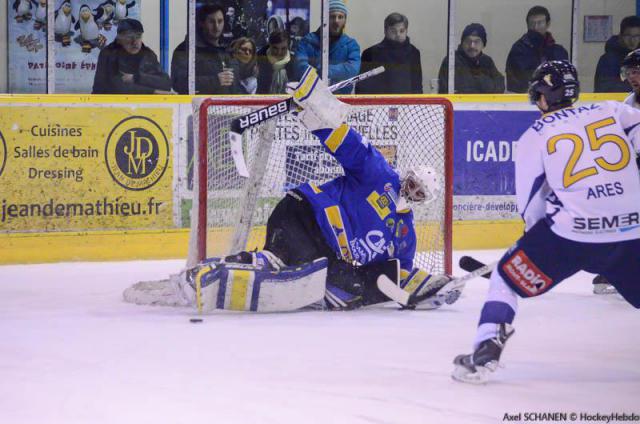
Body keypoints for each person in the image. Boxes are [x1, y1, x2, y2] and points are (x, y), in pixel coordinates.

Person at [180, 67, 458, 312]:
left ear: (424, 201)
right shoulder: (379, 174)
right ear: (406, 175)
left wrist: (434, 289)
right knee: (284, 261)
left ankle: (215, 271)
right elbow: (345, 141)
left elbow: (400, 274)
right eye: (411, 184)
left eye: (419, 193)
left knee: (287, 265)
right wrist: (313, 112)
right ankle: (207, 272)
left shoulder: (405, 234)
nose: (411, 192)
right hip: (303, 213)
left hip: (323, 252)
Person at [452, 60, 640, 384]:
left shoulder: (534, 135)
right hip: (632, 231)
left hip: (573, 236)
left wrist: (531, 239)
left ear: (541, 96)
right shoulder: (613, 110)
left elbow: (531, 205)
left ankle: (486, 350)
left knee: (506, 278)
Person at [171, 3, 242, 95]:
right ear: (201, 23)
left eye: (220, 21)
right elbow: (178, 83)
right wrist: (215, 80)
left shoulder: (228, 50)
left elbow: (237, 85)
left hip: (230, 107)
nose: (216, 26)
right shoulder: (186, 50)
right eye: (211, 22)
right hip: (197, 107)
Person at [294, 0, 360, 94]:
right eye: (332, 17)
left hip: (340, 101)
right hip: (311, 98)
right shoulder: (307, 42)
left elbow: (353, 69)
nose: (336, 21)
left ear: (345, 20)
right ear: (324, 18)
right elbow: (300, 67)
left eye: (340, 17)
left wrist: (323, 70)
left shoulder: (351, 45)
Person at [92, 19, 171, 94]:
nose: (135, 42)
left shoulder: (148, 55)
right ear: (119, 38)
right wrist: (153, 92)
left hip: (143, 106)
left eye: (138, 36)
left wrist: (136, 78)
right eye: (130, 37)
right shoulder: (109, 54)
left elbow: (166, 83)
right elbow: (115, 88)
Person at [356, 13, 422, 94]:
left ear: (406, 31)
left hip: (405, 104)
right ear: (385, 31)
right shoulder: (370, 53)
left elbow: (417, 86)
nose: (398, 34)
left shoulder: (414, 53)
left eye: (402, 31)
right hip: (378, 103)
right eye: (393, 31)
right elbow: (362, 88)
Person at [505, 6, 568, 93]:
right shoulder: (519, 49)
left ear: (548, 24)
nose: (536, 27)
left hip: (554, 99)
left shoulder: (559, 51)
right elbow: (522, 80)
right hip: (525, 100)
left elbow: (565, 77)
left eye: (540, 23)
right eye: (532, 23)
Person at [437, 23, 504, 94]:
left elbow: (500, 86)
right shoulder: (451, 61)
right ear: (462, 43)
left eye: (476, 42)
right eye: (468, 41)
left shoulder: (486, 61)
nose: (472, 46)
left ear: (483, 45)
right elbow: (459, 89)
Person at [594, 16, 640, 93]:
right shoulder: (608, 60)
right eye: (628, 36)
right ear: (621, 36)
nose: (632, 40)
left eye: (637, 36)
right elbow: (604, 88)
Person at [256, 29, 295, 94]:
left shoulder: (295, 62)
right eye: (275, 48)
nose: (279, 52)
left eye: (283, 48)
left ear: (289, 46)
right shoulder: (258, 60)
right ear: (269, 44)